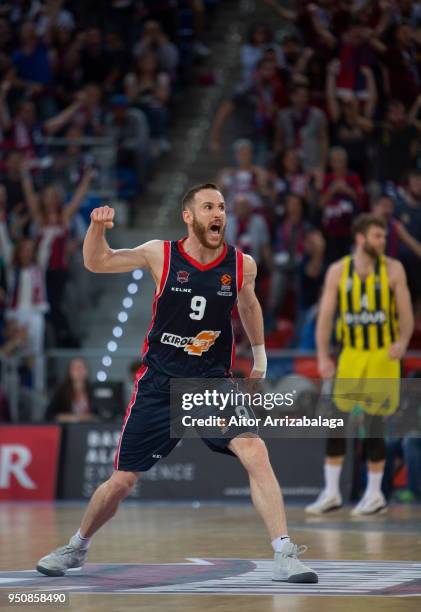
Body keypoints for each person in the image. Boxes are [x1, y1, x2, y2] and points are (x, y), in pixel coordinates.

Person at [36, 183, 317, 584]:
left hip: (211, 382)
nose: (217, 213)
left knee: (255, 449)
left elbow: (249, 303)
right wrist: (96, 229)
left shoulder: (241, 265)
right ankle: (77, 546)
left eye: (221, 206)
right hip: (160, 384)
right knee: (121, 482)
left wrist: (260, 355)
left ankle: (284, 551)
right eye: (208, 207)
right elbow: (97, 262)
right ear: (189, 216)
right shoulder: (160, 253)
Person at [306, 213, 414, 515]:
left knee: (374, 423)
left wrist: (403, 342)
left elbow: (405, 312)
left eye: (383, 236)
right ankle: (331, 492)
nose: (383, 241)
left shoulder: (393, 269)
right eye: (377, 236)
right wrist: (323, 356)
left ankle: (375, 493)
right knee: (337, 420)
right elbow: (325, 318)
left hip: (382, 354)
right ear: (361, 239)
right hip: (351, 353)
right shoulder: (338, 271)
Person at [46, 357, 96, 423]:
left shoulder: (94, 390)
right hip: (68, 429)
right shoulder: (61, 391)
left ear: (86, 371)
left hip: (91, 429)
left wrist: (90, 417)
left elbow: (100, 414)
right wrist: (73, 418)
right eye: (75, 368)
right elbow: (49, 414)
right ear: (69, 372)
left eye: (81, 368)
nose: (79, 371)